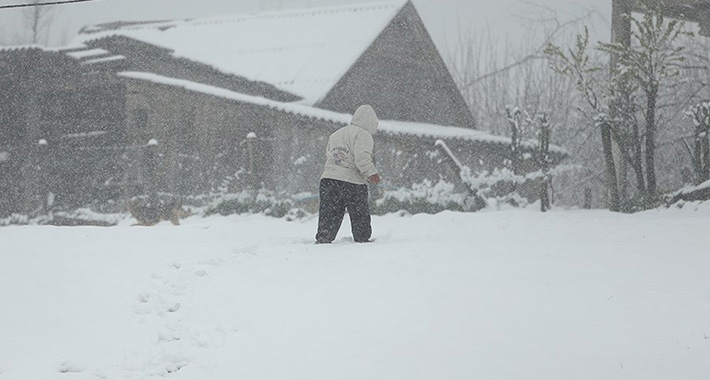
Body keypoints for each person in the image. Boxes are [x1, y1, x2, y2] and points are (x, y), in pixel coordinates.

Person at [315, 105, 381, 244]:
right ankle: (362, 237)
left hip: (328, 180)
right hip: (352, 182)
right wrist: (371, 173)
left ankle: (324, 236)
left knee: (329, 212)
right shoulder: (363, 134)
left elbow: (329, 155)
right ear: (371, 123)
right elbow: (362, 157)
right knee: (359, 213)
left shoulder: (336, 134)